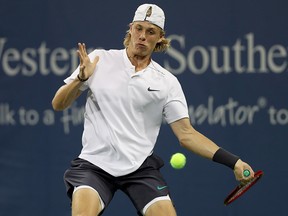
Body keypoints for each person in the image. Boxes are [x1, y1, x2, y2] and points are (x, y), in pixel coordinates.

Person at [52, 3, 254, 216]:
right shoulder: (99, 59)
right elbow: (58, 104)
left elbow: (187, 135)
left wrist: (234, 162)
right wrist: (81, 79)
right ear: (130, 29)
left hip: (139, 167)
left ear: (160, 38)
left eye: (150, 32)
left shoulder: (167, 82)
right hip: (95, 164)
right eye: (138, 28)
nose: (142, 36)